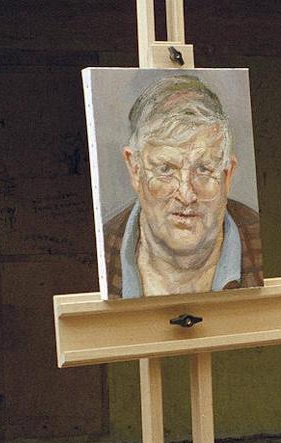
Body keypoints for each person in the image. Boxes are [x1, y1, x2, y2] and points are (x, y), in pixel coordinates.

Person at [103, 74, 262, 298]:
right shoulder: (101, 252)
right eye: (166, 169)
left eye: (203, 169)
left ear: (227, 175)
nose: (186, 195)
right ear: (135, 169)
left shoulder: (258, 238)